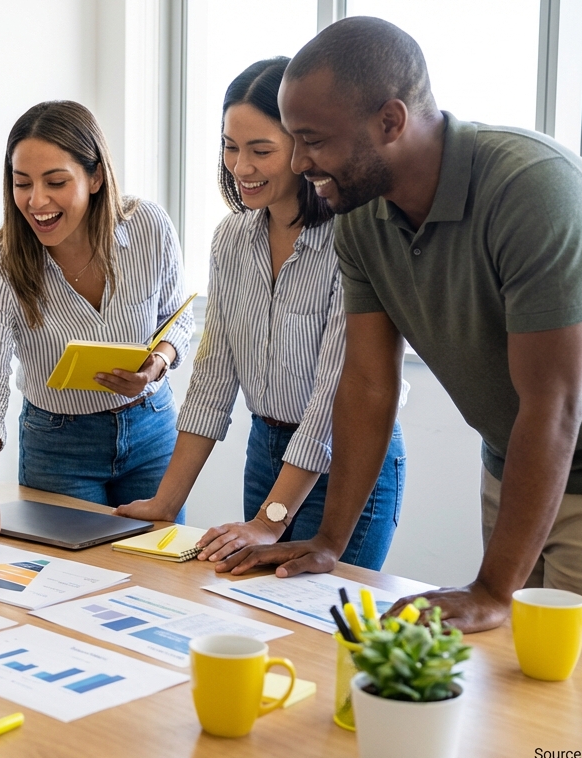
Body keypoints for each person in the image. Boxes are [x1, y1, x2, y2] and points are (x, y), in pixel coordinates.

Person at [220, 17, 582, 637]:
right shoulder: (361, 216)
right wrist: (327, 541)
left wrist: (489, 588)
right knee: (505, 683)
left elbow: (554, 404)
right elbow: (369, 384)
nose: (298, 162)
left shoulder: (532, 187)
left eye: (313, 140)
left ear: (391, 122)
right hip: (513, 462)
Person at [115, 57, 406, 570]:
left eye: (260, 150)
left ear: (304, 150)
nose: (240, 167)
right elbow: (212, 379)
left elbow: (335, 393)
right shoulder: (231, 239)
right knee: (265, 615)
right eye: (230, 146)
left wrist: (270, 520)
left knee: (329, 625)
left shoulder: (352, 237)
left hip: (348, 457)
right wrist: (165, 501)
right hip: (267, 449)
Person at [0, 100, 193, 566]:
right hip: (59, 445)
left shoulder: (148, 227)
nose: (36, 201)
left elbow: (178, 317)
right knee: (65, 579)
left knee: (159, 575)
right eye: (22, 184)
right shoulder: (0, 271)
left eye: (56, 182)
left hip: (152, 427)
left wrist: (157, 361)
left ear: (96, 177)